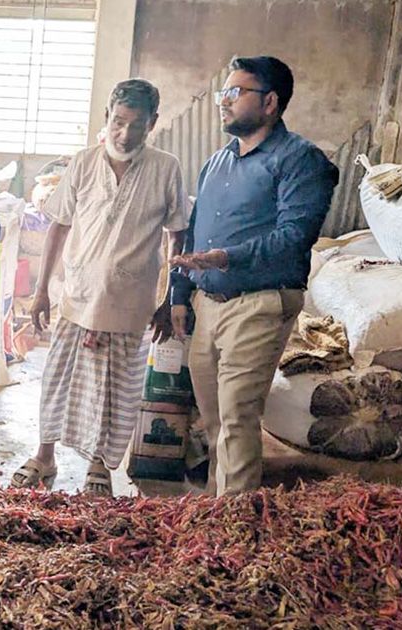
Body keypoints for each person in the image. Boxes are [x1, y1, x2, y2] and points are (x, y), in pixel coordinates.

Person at [166, 56, 339, 496]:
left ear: (270, 102)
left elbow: (295, 235)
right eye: (222, 92)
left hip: (259, 302)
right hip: (209, 303)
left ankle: (235, 523)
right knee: (213, 421)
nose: (223, 101)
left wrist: (226, 258)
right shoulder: (218, 161)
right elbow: (196, 231)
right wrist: (180, 295)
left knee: (238, 418)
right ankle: (213, 511)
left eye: (235, 92)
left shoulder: (300, 160)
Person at [10, 79, 190, 496]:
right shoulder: (84, 162)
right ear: (107, 117)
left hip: (131, 302)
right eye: (118, 122)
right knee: (59, 379)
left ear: (152, 124)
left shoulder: (166, 168)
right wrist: (41, 291)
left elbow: (176, 235)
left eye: (136, 125)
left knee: (115, 390)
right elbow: (59, 226)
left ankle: (100, 464)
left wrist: (169, 298)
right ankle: (44, 455)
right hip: (78, 297)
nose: (124, 134)